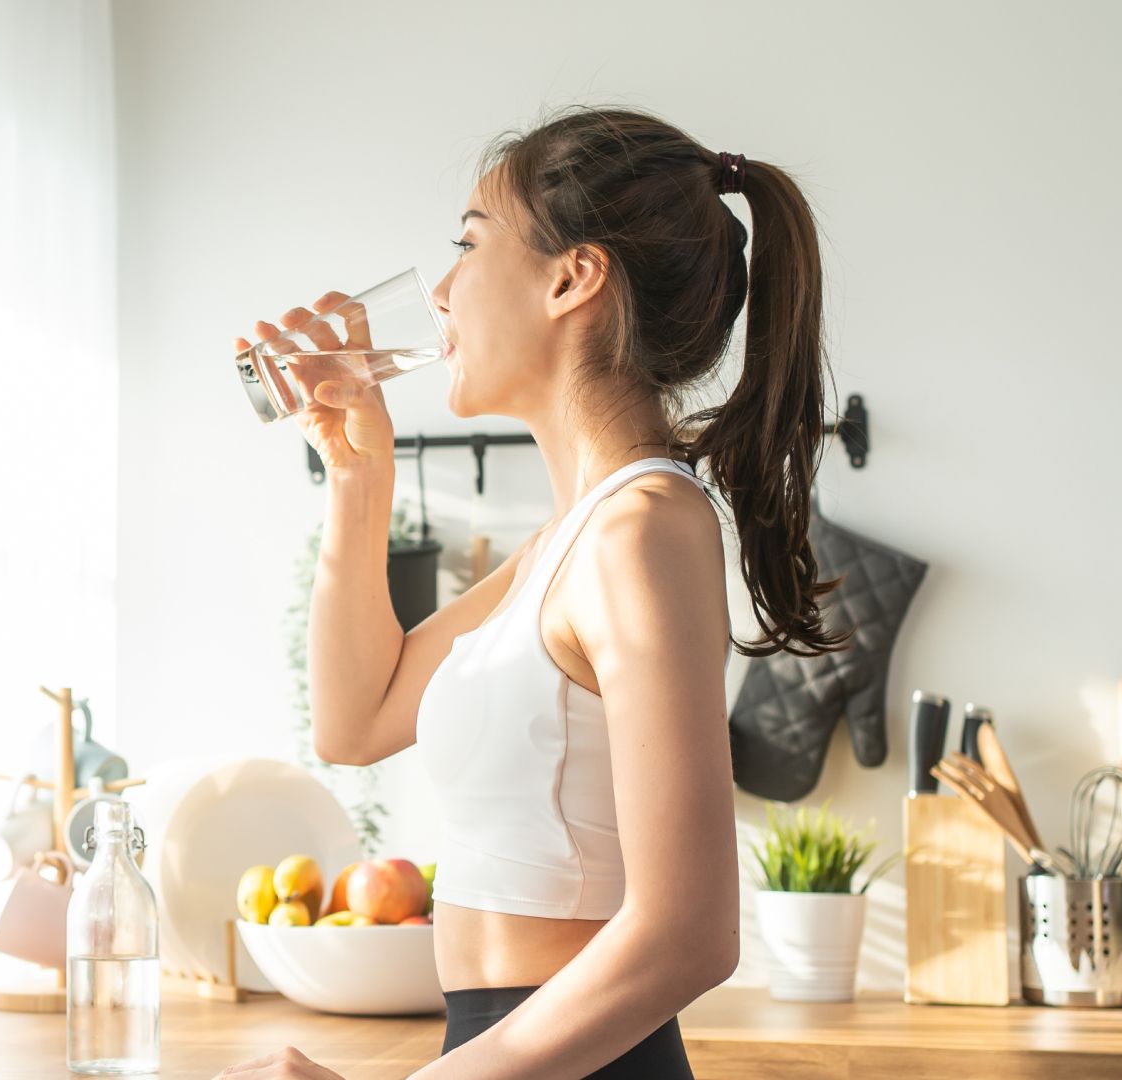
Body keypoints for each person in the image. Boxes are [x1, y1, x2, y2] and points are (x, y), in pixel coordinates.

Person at [216, 104, 849, 1080]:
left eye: (468, 244)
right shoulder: (566, 542)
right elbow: (356, 721)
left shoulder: (643, 531)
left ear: (571, 277)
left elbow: (689, 937)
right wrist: (358, 478)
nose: (437, 290)